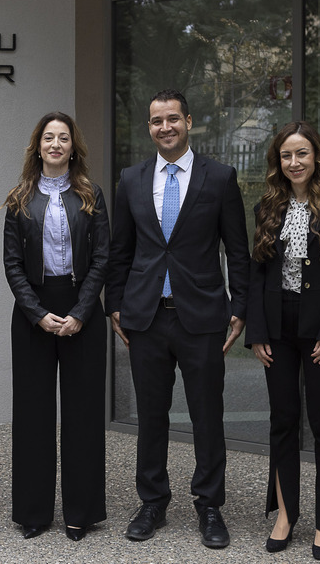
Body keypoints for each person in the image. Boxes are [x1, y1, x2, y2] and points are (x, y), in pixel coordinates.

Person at [105, 88, 250, 549]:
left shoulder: (220, 178)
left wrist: (240, 308)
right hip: (146, 317)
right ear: (148, 127)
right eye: (156, 121)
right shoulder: (131, 179)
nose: (164, 127)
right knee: (151, 415)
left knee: (207, 414)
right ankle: (152, 502)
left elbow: (238, 250)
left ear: (188, 121)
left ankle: (209, 505)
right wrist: (114, 305)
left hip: (202, 316)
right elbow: (121, 249)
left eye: (172, 119)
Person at [245, 121, 320, 561]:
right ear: (278, 162)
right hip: (277, 330)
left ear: (317, 157)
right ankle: (285, 514)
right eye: (286, 156)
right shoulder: (266, 208)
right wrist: (257, 333)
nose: (294, 163)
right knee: (282, 420)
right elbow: (257, 275)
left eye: (302, 154)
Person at [2, 112, 110, 542]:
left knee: (83, 414)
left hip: (82, 309)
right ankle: (33, 512)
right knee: (33, 414)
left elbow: (102, 258)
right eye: (48, 137)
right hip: (34, 312)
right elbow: (12, 264)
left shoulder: (91, 195)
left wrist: (81, 312)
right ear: (38, 146)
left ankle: (81, 512)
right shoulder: (19, 199)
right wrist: (36, 312)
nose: (55, 144)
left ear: (72, 147)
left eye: (63, 138)